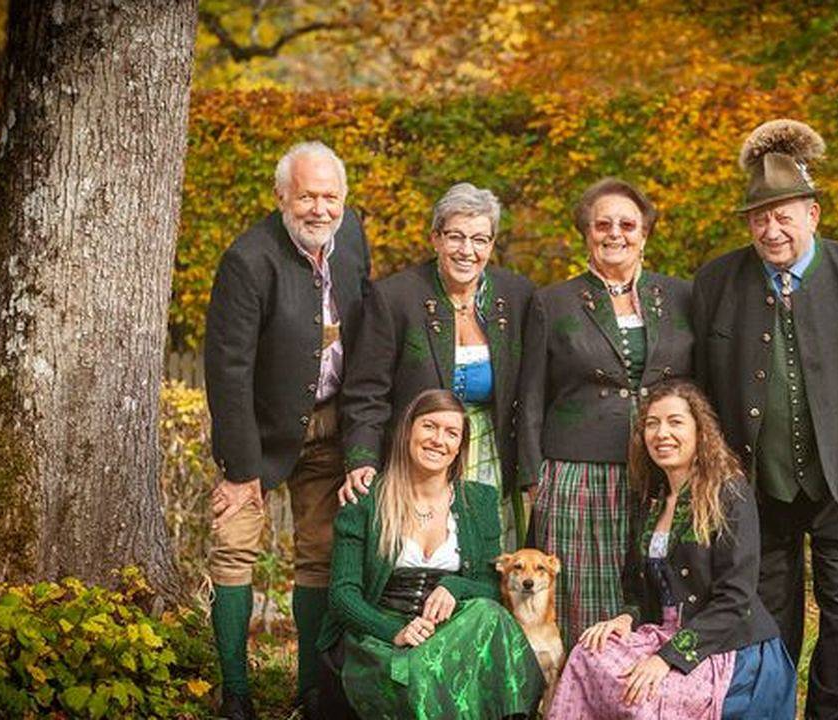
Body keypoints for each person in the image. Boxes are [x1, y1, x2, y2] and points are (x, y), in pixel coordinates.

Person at [692, 119, 838, 719]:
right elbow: (701, 384)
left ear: (812, 214)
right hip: (756, 487)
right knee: (768, 613)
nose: (772, 229)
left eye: (784, 215)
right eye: (759, 218)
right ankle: (771, 711)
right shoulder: (717, 281)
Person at [204, 141, 372, 720]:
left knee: (321, 556)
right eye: (306, 196)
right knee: (233, 549)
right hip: (261, 431)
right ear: (282, 198)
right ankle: (236, 694)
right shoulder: (248, 260)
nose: (319, 209)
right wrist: (238, 471)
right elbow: (227, 369)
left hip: (331, 426)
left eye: (330, 197)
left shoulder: (351, 238)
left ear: (344, 200)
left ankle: (311, 691)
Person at [549, 379, 796, 719]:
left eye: (675, 422)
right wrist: (626, 616)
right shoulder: (652, 500)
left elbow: (734, 599)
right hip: (663, 634)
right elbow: (638, 592)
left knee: (647, 696)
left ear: (700, 431)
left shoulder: (729, 493)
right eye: (652, 424)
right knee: (587, 653)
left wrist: (667, 658)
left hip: (726, 646)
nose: (662, 433)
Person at [518, 178, 694, 645]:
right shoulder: (552, 302)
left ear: (645, 233)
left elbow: (696, 385)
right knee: (580, 590)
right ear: (586, 233)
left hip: (662, 466)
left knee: (654, 583)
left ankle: (645, 694)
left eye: (628, 224)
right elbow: (531, 392)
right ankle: (578, 692)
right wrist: (531, 471)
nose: (615, 233)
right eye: (603, 224)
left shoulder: (681, 297)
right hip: (578, 470)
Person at [315, 389, 544, 719]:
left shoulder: (478, 501)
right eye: (429, 426)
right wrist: (394, 631)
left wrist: (454, 587)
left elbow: (493, 587)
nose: (439, 439)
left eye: (451, 433)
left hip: (449, 634)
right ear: (408, 430)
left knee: (488, 614)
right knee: (422, 673)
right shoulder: (366, 500)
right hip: (379, 636)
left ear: (460, 447)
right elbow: (342, 595)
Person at [340, 183, 535, 548]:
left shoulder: (518, 296)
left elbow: (532, 390)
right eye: (456, 237)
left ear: (492, 244)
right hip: (418, 457)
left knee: (488, 558)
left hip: (492, 455)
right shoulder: (395, 297)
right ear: (435, 238)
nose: (467, 251)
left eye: (480, 239)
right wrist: (361, 458)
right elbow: (366, 390)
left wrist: (530, 467)